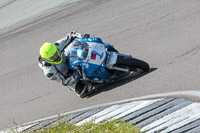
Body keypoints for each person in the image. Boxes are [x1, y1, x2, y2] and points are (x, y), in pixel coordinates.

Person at [38, 31, 91, 98]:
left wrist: (81, 36)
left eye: (56, 53)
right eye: (52, 57)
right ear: (47, 59)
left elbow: (71, 35)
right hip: (66, 74)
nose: (56, 57)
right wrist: (74, 76)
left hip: (68, 60)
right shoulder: (49, 72)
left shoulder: (57, 46)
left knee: (82, 50)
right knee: (82, 92)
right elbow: (64, 81)